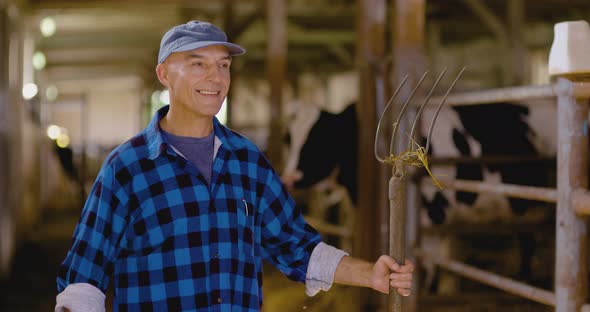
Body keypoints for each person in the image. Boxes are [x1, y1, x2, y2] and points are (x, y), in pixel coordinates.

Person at [55, 20, 413, 312]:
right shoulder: (127, 168)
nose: (216, 78)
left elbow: (296, 247)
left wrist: (371, 274)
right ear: (164, 74)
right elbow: (83, 279)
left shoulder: (247, 160)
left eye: (223, 65)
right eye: (198, 64)